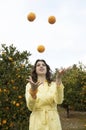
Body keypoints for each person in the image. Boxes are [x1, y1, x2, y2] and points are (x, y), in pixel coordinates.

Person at [25, 59, 65, 130]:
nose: (41, 66)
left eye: (43, 65)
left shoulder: (53, 84)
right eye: (38, 65)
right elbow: (30, 107)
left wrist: (58, 79)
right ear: (35, 70)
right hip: (37, 122)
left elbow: (59, 101)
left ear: (47, 69)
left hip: (53, 122)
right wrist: (33, 91)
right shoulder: (30, 85)